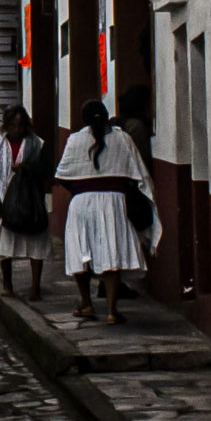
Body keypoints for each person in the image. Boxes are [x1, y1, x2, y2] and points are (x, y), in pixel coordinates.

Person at [53, 97, 161, 325]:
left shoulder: (75, 140)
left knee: (81, 252)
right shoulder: (122, 139)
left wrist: (84, 187)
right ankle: (112, 310)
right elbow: (138, 173)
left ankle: (86, 303)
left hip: (81, 203)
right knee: (111, 251)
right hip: (113, 202)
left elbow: (63, 174)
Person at [0, 104, 50, 298]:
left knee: (36, 245)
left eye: (20, 125)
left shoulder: (37, 145)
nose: (16, 130)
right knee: (5, 246)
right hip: (4, 201)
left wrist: (26, 167)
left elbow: (45, 170)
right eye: (12, 125)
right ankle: (7, 284)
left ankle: (35, 287)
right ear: (6, 126)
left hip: (31, 199)